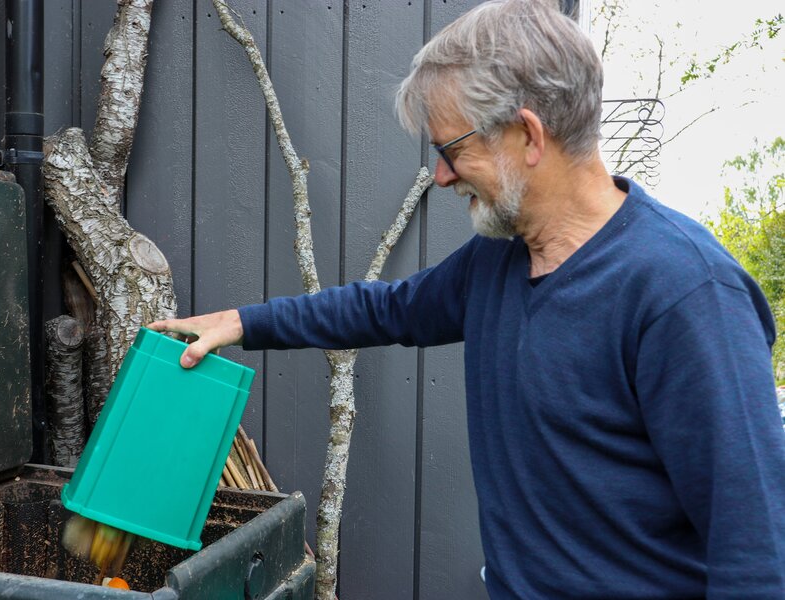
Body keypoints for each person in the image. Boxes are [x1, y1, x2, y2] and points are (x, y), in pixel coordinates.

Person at [149, 0, 785, 597]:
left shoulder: (688, 295)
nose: (441, 175)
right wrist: (240, 322)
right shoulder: (499, 261)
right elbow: (384, 308)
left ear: (528, 136)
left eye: (451, 149)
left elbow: (757, 554)